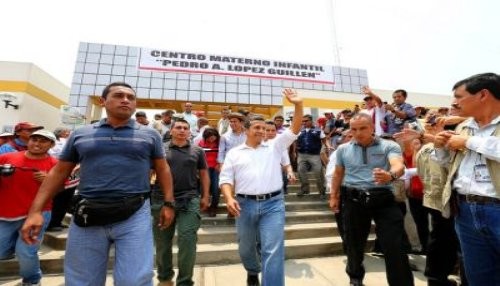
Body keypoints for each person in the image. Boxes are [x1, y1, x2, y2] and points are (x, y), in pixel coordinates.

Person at [20, 82, 174, 286]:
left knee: (135, 281)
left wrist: (169, 203)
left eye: (131, 97)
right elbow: (59, 172)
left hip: (135, 214)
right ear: (103, 101)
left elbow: (163, 169)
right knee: (82, 281)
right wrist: (36, 211)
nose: (126, 100)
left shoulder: (150, 134)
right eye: (119, 95)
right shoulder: (81, 134)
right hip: (87, 215)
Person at [219, 88, 303, 286]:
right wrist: (229, 198)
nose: (261, 131)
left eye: (264, 128)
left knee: (273, 250)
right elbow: (225, 179)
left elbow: (295, 129)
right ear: (247, 130)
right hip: (244, 205)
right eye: (257, 127)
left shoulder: (275, 146)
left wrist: (298, 104)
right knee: (246, 248)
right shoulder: (235, 153)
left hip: (273, 205)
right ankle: (252, 270)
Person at [329, 112, 414, 286]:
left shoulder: (388, 146)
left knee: (394, 246)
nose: (358, 133)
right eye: (353, 129)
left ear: (372, 127)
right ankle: (355, 279)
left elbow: (398, 165)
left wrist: (390, 175)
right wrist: (334, 196)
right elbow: (338, 174)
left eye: (363, 128)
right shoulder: (343, 149)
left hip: (383, 199)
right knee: (353, 244)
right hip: (353, 200)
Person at [434, 73, 500, 286]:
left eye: (459, 96)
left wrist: (468, 141)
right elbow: (449, 165)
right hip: (465, 211)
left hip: (497, 210)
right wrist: (440, 147)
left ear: (483, 95)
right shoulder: (463, 127)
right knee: (479, 277)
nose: (454, 103)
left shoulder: (465, 134)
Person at [151, 118, 209, 286]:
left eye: (185, 128)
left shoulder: (197, 150)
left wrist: (205, 196)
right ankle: (164, 278)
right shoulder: (160, 150)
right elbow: (149, 172)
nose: (182, 130)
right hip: (161, 200)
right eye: (178, 127)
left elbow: (204, 174)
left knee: (187, 240)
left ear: (189, 131)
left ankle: (184, 282)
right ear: (171, 131)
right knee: (162, 243)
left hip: (189, 199)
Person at [0, 130, 58, 286]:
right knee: (2, 251)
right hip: (7, 213)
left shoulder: (55, 164)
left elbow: (62, 188)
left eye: (43, 141)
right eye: (34, 139)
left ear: (51, 145)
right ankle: (12, 249)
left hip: (39, 213)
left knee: (26, 252)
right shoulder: (7, 157)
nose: (37, 144)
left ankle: (32, 280)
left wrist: (49, 180)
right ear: (28, 141)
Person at [296, 114, 330, 199]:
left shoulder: (318, 130)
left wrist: (328, 146)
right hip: (302, 154)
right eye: (303, 121)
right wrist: (294, 151)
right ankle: (305, 189)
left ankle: (322, 191)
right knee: (300, 170)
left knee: (318, 172)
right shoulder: (300, 130)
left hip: (314, 155)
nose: (304, 122)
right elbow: (295, 141)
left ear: (311, 121)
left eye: (306, 121)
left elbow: (324, 139)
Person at [198, 127, 221, 217]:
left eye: (213, 137)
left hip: (216, 168)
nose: (212, 139)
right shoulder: (201, 142)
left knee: (216, 188)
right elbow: (198, 156)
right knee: (204, 187)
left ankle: (213, 207)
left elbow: (223, 154)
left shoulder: (219, 143)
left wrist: (219, 164)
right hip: (205, 168)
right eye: (209, 137)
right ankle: (204, 204)